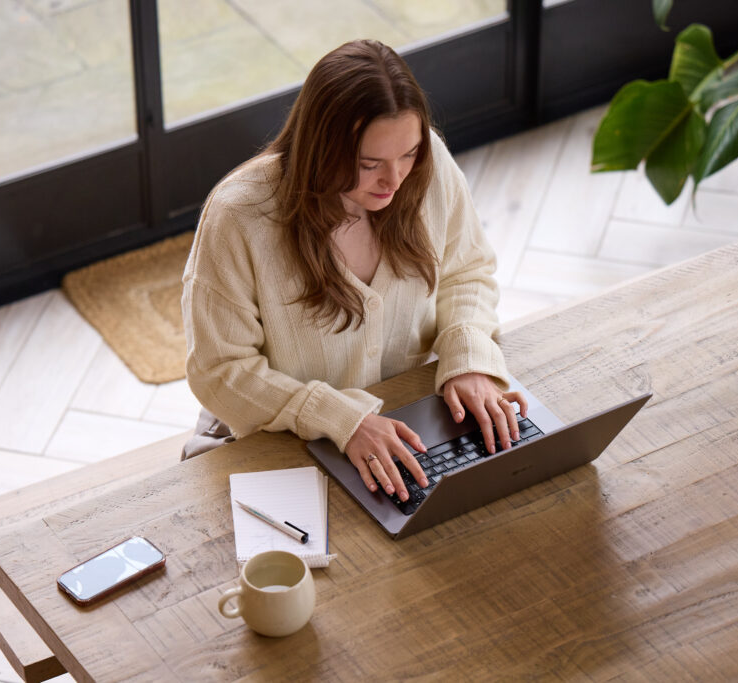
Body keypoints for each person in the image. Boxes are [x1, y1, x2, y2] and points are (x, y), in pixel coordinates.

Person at [180, 39, 527, 504]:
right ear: (320, 149)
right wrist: (340, 419)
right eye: (369, 164)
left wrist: (467, 357)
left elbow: (466, 272)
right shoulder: (239, 217)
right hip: (276, 436)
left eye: (409, 154)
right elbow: (221, 371)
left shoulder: (428, 166)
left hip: (407, 423)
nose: (395, 179)